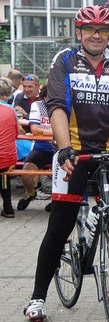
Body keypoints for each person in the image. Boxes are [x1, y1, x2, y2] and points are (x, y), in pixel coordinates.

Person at [24, 5, 109, 322]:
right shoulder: (65, 61)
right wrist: (65, 149)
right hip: (75, 156)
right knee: (59, 226)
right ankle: (38, 297)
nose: (97, 35)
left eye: (103, 30)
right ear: (79, 32)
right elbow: (57, 105)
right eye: (90, 29)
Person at [16, 84, 54, 211]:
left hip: (59, 148)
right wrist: (57, 131)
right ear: (43, 96)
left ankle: (57, 200)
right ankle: (31, 192)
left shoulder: (64, 106)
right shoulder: (38, 105)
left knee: (62, 176)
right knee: (25, 174)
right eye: (48, 97)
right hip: (41, 148)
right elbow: (34, 129)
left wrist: (43, 130)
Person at [0, 77, 18, 218]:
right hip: (8, 158)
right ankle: (8, 208)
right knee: (4, 176)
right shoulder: (11, 111)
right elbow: (16, 133)